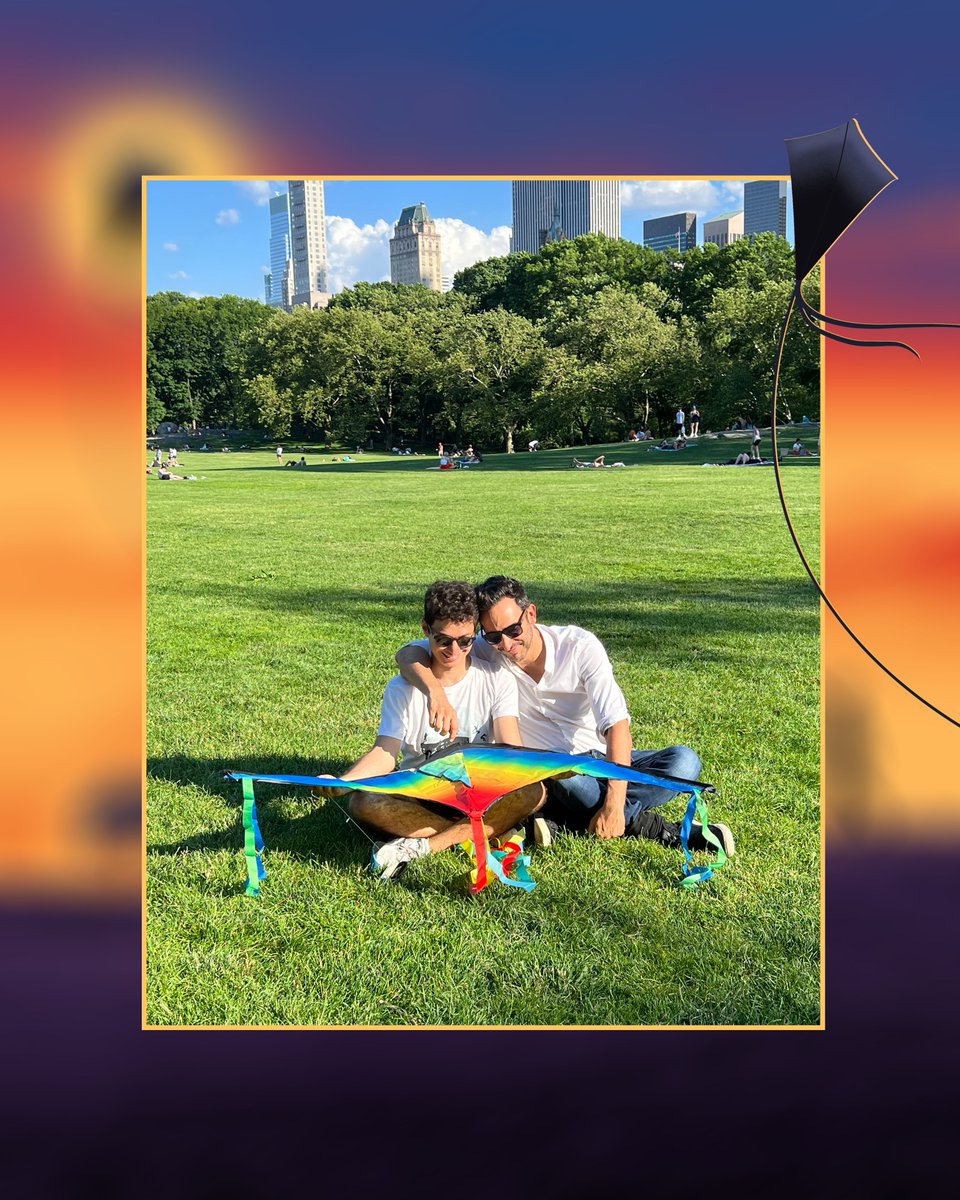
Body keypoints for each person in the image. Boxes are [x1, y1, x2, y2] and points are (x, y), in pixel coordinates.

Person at [395, 576, 733, 857]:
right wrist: (435, 693)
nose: (507, 644)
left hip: (599, 760)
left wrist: (615, 804)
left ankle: (569, 820)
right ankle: (657, 829)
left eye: (513, 630)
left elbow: (616, 727)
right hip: (550, 771)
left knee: (684, 763)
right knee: (561, 771)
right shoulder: (486, 647)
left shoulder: (580, 647)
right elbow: (408, 652)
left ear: (531, 614)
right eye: (494, 636)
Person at [319, 581, 547, 882]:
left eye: (465, 641)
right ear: (425, 629)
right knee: (362, 802)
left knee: (535, 790)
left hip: (479, 793)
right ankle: (493, 830)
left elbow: (510, 747)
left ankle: (424, 846)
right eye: (444, 641)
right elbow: (384, 754)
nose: (455, 651)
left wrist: (546, 768)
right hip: (422, 794)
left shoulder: (495, 678)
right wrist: (344, 782)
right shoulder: (401, 689)